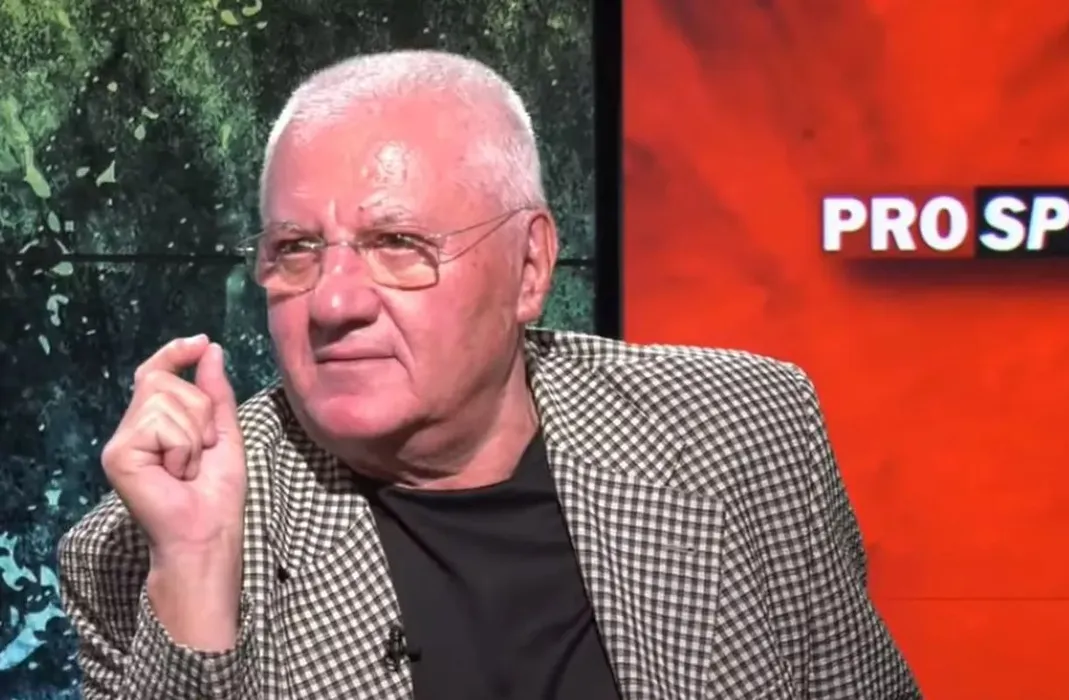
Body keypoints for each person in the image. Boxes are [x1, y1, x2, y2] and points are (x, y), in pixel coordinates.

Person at [57, 49, 921, 699]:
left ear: (531, 269)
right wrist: (196, 568)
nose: (333, 301)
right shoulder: (145, 541)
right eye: (296, 249)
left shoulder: (740, 428)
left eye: (398, 244)